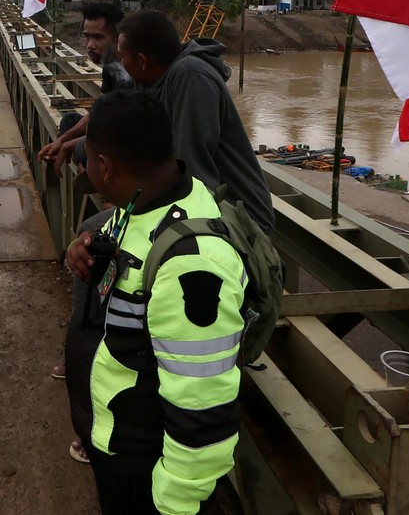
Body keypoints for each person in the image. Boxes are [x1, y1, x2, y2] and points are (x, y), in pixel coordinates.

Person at [65, 90, 245, 515]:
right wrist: (84, 247)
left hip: (145, 470)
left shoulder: (192, 265)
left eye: (87, 162)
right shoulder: (147, 199)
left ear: (105, 167)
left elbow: (202, 407)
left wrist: (175, 502)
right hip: (116, 440)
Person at [116, 10, 276, 237]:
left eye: (122, 57)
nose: (121, 64)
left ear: (142, 61)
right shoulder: (152, 83)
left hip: (240, 219)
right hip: (198, 205)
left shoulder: (190, 77)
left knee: (108, 234)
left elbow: (193, 172)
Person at [37, 1, 130, 175]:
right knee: (69, 120)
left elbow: (123, 131)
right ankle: (87, 167)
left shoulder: (130, 72)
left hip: (128, 137)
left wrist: (72, 144)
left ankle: (93, 173)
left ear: (118, 37)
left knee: (83, 145)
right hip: (112, 124)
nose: (89, 45)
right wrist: (62, 140)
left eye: (98, 37)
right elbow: (100, 110)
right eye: (87, 36)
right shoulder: (110, 65)